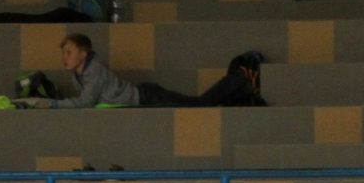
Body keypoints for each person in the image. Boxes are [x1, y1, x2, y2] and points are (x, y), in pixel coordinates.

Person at [18, 35, 264, 109]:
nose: (64, 57)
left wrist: (50, 104)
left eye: (68, 52)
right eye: (63, 53)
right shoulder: (79, 74)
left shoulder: (94, 72)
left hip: (147, 97)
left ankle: (240, 77)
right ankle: (240, 89)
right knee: (199, 105)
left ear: (84, 53)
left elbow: (85, 102)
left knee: (198, 104)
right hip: (144, 96)